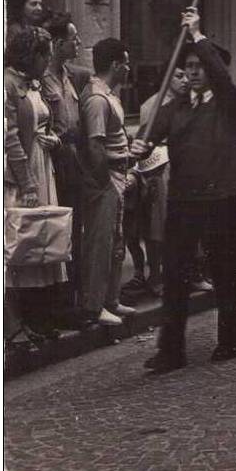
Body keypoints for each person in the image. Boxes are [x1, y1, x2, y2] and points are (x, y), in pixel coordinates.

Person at [132, 8, 236, 372]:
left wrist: (199, 37)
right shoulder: (176, 107)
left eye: (200, 65)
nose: (194, 71)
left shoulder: (230, 104)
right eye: (188, 66)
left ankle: (231, 338)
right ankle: (171, 350)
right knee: (175, 276)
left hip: (221, 198)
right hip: (184, 199)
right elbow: (149, 135)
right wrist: (141, 146)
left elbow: (220, 76)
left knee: (224, 272)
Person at [5, 26, 68, 340]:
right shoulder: (7, 84)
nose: (48, 61)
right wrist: (27, 184)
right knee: (24, 242)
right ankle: (19, 322)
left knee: (43, 239)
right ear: (32, 55)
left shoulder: (35, 83)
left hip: (43, 167)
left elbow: (46, 121)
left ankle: (41, 315)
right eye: (45, 54)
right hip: (23, 173)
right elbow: (10, 139)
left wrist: (52, 138)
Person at [79, 38, 136, 327]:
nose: (128, 68)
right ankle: (93, 304)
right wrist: (105, 182)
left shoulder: (108, 96)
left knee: (116, 240)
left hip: (118, 174)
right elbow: (96, 146)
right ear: (115, 64)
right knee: (101, 242)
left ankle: (110, 299)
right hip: (107, 177)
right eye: (125, 62)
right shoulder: (98, 100)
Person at [122, 67, 191, 299]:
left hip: (180, 168)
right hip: (159, 170)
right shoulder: (155, 104)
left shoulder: (186, 101)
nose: (185, 80)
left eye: (187, 75)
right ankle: (155, 275)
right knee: (156, 226)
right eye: (179, 75)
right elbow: (148, 140)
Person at [41, 13, 89, 319]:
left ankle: (74, 298)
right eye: (73, 39)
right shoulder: (43, 78)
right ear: (58, 44)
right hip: (55, 161)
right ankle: (60, 303)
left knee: (76, 230)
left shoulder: (70, 76)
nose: (79, 43)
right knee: (61, 231)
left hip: (74, 158)